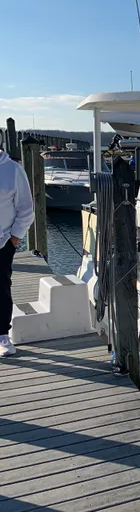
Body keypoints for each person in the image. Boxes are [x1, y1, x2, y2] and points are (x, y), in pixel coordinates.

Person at [0, 145, 34, 357]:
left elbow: (26, 209)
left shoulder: (13, 169)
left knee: (1, 288)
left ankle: (2, 335)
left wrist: (13, 240)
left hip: (2, 241)